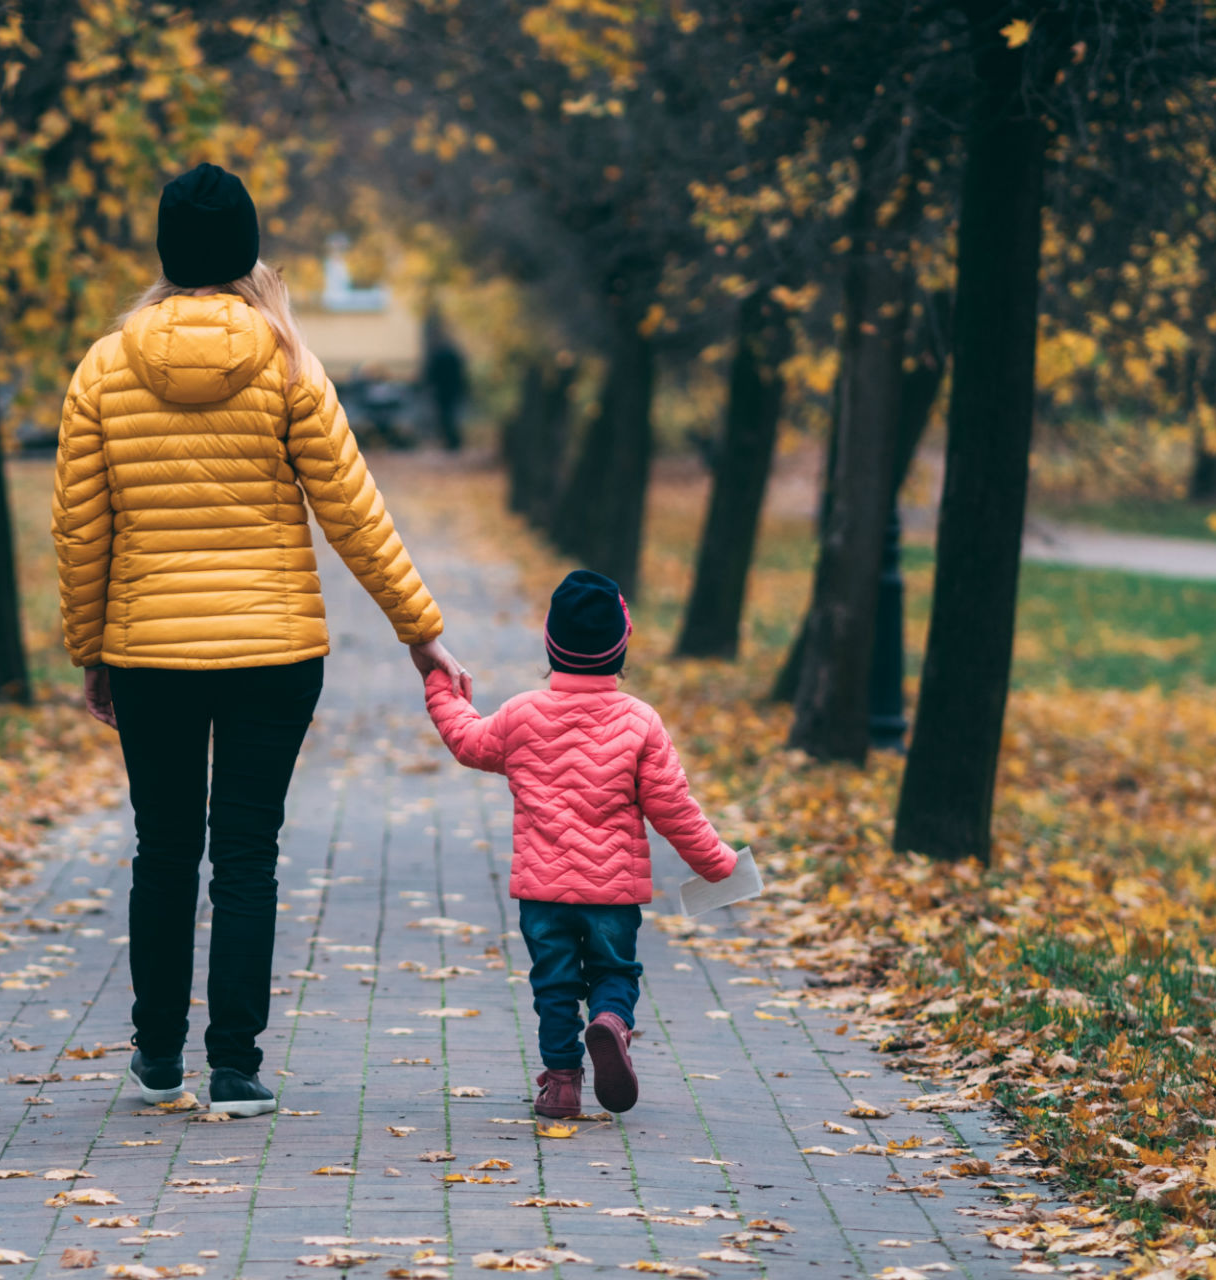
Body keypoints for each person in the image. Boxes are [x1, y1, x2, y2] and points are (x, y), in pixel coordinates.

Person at [51, 162, 470, 1118]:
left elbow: (82, 528)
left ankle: (156, 1060)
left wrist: (91, 649)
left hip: (149, 651)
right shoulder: (289, 363)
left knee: (163, 851)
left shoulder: (104, 368)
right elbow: (354, 513)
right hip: (274, 657)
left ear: (166, 253)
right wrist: (421, 633)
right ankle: (234, 1068)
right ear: (246, 251)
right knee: (247, 854)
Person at [422, 570, 735, 1117]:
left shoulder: (522, 715)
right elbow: (674, 808)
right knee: (614, 973)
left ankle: (562, 1084)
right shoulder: (641, 723)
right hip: (612, 894)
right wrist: (718, 863)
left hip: (543, 895)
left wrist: (438, 682)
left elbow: (469, 742)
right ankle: (611, 1022)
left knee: (555, 986)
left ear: (551, 644)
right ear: (622, 646)